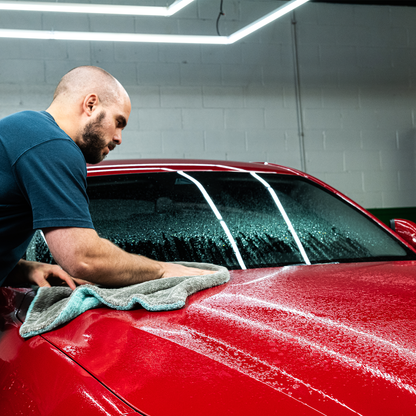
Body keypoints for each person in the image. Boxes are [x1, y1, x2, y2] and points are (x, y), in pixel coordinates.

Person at [0, 66, 212, 289]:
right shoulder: (52, 145)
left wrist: (21, 268)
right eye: (118, 122)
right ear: (91, 105)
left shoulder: (24, 131)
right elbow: (83, 259)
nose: (119, 138)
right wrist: (163, 270)